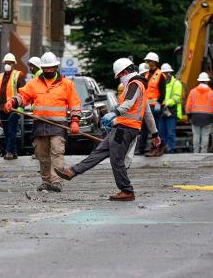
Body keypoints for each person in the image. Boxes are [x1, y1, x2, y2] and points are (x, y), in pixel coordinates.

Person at [54, 58, 161, 201]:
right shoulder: (140, 87)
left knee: (116, 160)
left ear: (124, 72)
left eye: (119, 76)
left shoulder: (135, 84)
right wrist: (155, 134)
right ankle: (72, 172)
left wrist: (114, 114)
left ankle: (127, 190)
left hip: (125, 129)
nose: (119, 79)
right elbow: (147, 114)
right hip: (123, 128)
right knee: (99, 152)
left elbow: (128, 104)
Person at [4, 52, 81, 192]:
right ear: (43, 68)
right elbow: (23, 96)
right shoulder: (34, 83)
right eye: (46, 68)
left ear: (56, 67)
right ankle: (47, 181)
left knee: (57, 152)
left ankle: (57, 181)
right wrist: (13, 101)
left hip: (58, 125)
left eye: (51, 68)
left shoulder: (66, 84)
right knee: (42, 154)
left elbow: (75, 104)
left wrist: (75, 121)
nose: (49, 70)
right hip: (40, 124)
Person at [0, 53, 26, 160]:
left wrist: (17, 104)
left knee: (12, 130)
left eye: (10, 63)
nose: (8, 64)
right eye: (6, 63)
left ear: (14, 64)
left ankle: (9, 152)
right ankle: (13, 151)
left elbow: (22, 92)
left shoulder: (18, 75)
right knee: (6, 131)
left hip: (13, 109)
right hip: (2, 109)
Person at [137, 52, 166, 156]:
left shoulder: (160, 75)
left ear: (154, 62)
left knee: (155, 128)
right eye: (146, 61)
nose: (147, 62)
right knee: (145, 127)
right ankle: (143, 148)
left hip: (155, 106)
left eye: (148, 61)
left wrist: (159, 103)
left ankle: (157, 147)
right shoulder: (146, 74)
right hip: (146, 106)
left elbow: (163, 92)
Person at [185, 72, 213, 153]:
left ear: (199, 81)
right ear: (207, 81)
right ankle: (203, 153)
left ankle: (196, 153)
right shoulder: (212, 93)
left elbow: (188, 108)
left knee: (196, 135)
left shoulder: (192, 92)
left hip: (195, 117)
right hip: (207, 118)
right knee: (205, 135)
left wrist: (189, 117)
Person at [160, 63, 182, 153]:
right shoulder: (160, 83)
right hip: (161, 111)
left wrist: (166, 103)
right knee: (161, 133)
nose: (167, 74)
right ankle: (163, 150)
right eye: (165, 73)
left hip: (172, 111)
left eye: (168, 73)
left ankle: (170, 150)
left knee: (170, 133)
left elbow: (176, 98)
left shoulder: (176, 84)